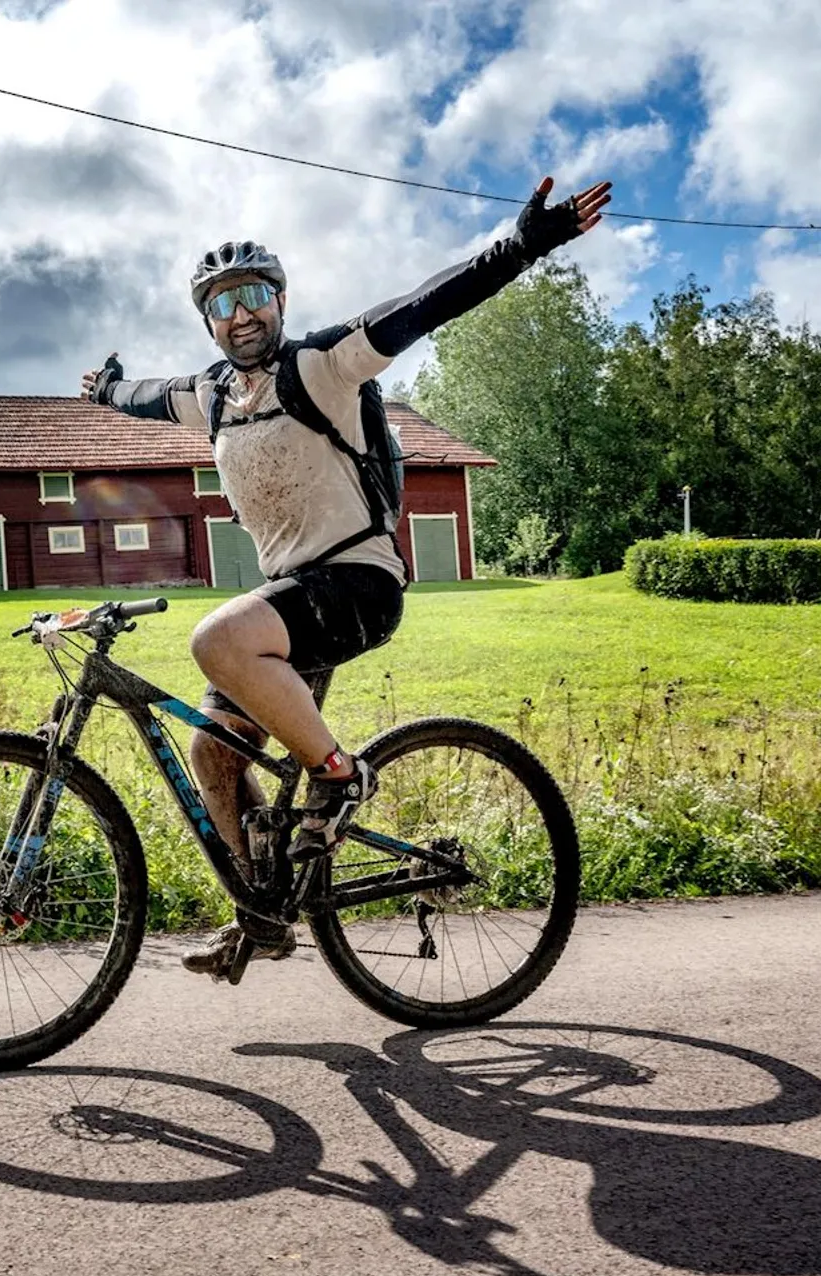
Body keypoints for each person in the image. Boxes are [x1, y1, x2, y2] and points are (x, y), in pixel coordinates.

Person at [82, 176, 612, 978]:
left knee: (217, 638)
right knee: (214, 756)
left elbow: (427, 305)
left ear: (281, 301)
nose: (241, 314)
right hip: (294, 603)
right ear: (208, 321)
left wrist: (524, 244)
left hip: (357, 583)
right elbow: (146, 397)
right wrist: (105, 388)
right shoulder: (215, 396)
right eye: (222, 304)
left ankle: (341, 775)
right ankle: (264, 913)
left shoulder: (325, 365)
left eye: (255, 294)